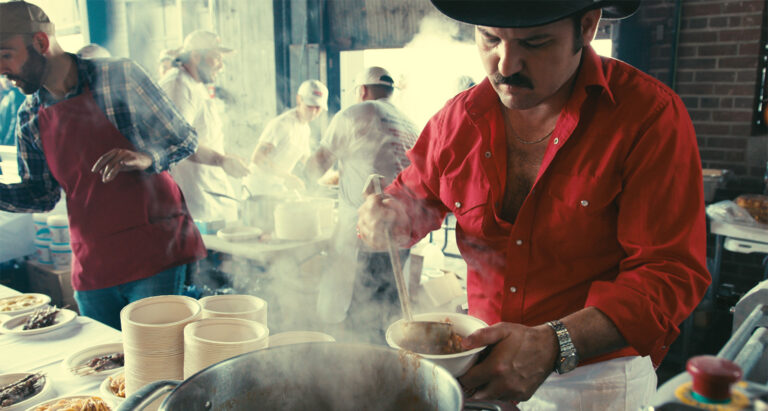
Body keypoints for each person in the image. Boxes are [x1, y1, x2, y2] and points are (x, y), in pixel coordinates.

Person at [356, 1, 711, 409]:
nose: (505, 64)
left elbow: (669, 272)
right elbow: (409, 201)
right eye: (490, 38)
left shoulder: (647, 116)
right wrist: (386, 217)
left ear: (588, 25)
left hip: (595, 380)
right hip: (480, 368)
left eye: (535, 42)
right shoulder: (456, 121)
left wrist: (554, 342)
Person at [0, 1, 206, 330]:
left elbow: (184, 139)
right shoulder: (29, 117)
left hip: (155, 251)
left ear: (40, 42)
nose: (1, 69)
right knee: (106, 365)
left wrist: (147, 157)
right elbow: (42, 196)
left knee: (155, 360)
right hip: (94, 264)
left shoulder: (118, 77)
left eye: (5, 54)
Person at [306, 66, 418, 339]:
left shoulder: (357, 112)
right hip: (401, 234)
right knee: (385, 315)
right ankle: (386, 368)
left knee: (351, 316)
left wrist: (303, 178)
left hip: (361, 235)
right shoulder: (411, 124)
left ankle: (351, 366)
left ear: (362, 91)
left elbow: (317, 166)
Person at [159, 30, 249, 222]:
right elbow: (178, 143)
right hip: (194, 204)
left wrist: (226, 156)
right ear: (195, 56)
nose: (221, 66)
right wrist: (221, 160)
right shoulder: (178, 85)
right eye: (216, 58)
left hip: (210, 197)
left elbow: (201, 136)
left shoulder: (194, 84)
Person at [248, 79, 328, 194]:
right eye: (310, 106)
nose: (314, 112)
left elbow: (306, 160)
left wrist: (326, 176)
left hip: (277, 187)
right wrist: (288, 177)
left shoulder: (305, 129)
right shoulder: (281, 124)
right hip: (258, 188)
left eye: (318, 108)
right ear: (299, 99)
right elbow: (258, 158)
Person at [0, 76, 24, 146]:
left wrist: (7, 142)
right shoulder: (6, 96)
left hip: (9, 142)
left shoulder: (14, 95)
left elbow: (14, 119)